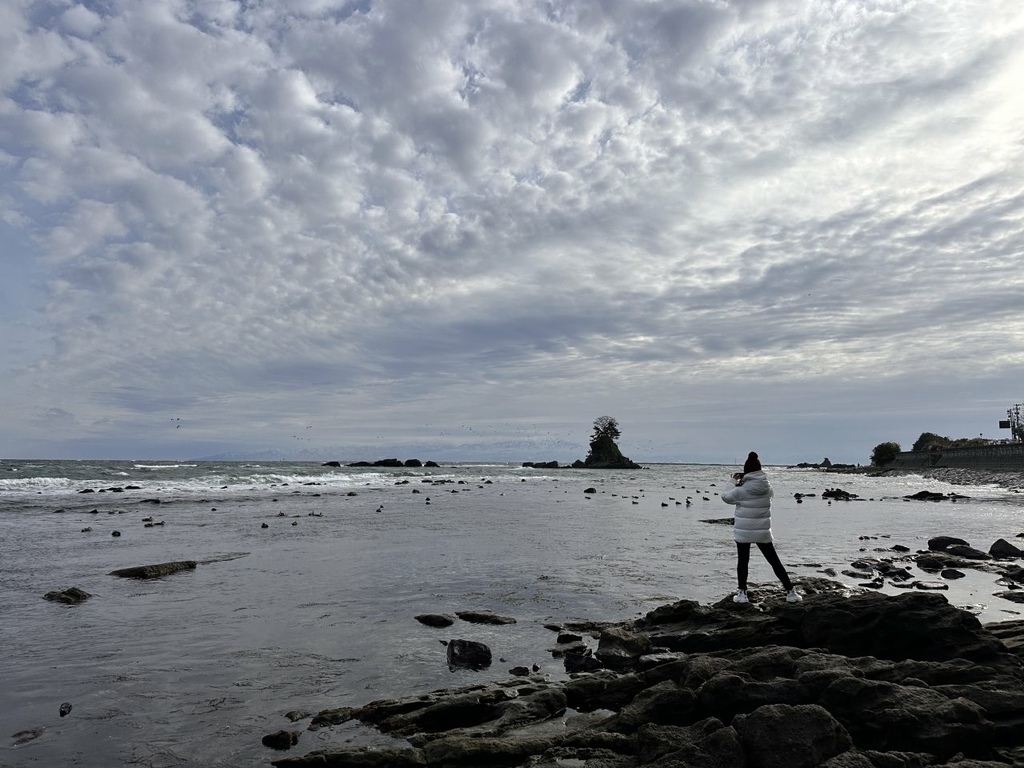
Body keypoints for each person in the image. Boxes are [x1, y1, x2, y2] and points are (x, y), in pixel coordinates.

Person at [720, 451, 802, 603]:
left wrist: (732, 481)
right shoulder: (768, 487)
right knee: (774, 561)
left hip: (744, 532)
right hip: (763, 531)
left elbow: (726, 497)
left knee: (743, 562)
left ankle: (742, 594)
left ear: (746, 471)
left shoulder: (741, 490)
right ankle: (791, 592)